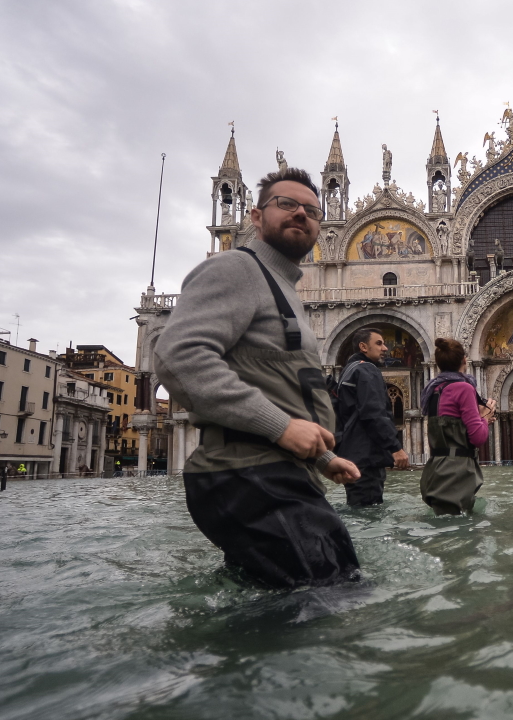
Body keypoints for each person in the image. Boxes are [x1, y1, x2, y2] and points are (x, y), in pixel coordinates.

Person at [154, 167, 362, 589]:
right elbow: (178, 356)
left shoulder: (282, 287)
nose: (300, 214)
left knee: (288, 605)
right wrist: (282, 427)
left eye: (311, 210)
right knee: (331, 602)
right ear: (254, 216)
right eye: (286, 204)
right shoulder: (236, 268)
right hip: (251, 476)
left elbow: (281, 386)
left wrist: (323, 458)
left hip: (273, 475)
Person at [418, 338, 496, 515]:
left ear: (438, 365)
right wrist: (485, 416)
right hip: (456, 475)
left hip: (434, 472)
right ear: (464, 360)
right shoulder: (464, 388)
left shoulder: (433, 390)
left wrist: (480, 419)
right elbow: (478, 438)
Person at [333, 327, 408, 506]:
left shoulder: (348, 370)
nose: (385, 348)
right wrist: (395, 447)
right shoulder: (367, 370)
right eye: (379, 343)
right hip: (366, 457)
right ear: (363, 347)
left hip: (351, 455)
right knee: (369, 513)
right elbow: (373, 413)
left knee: (357, 509)